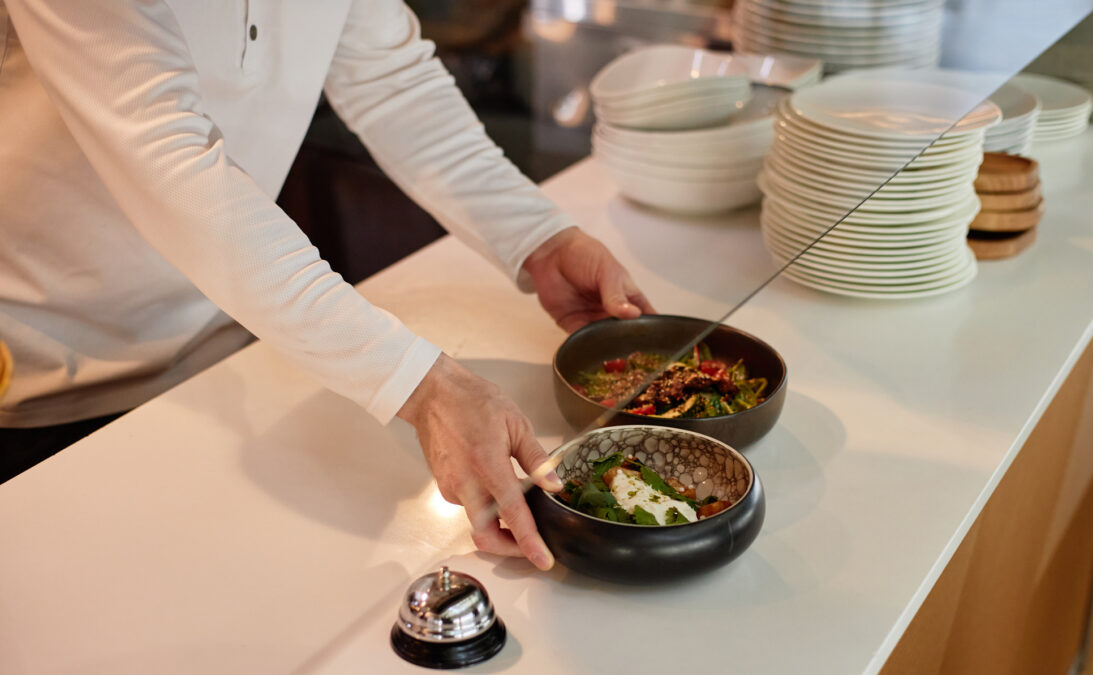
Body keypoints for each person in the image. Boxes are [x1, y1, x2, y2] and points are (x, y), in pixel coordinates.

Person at [0, 0, 654, 571]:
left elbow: (391, 80)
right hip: (44, 376)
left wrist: (538, 237)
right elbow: (168, 160)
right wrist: (421, 385)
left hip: (228, 345)